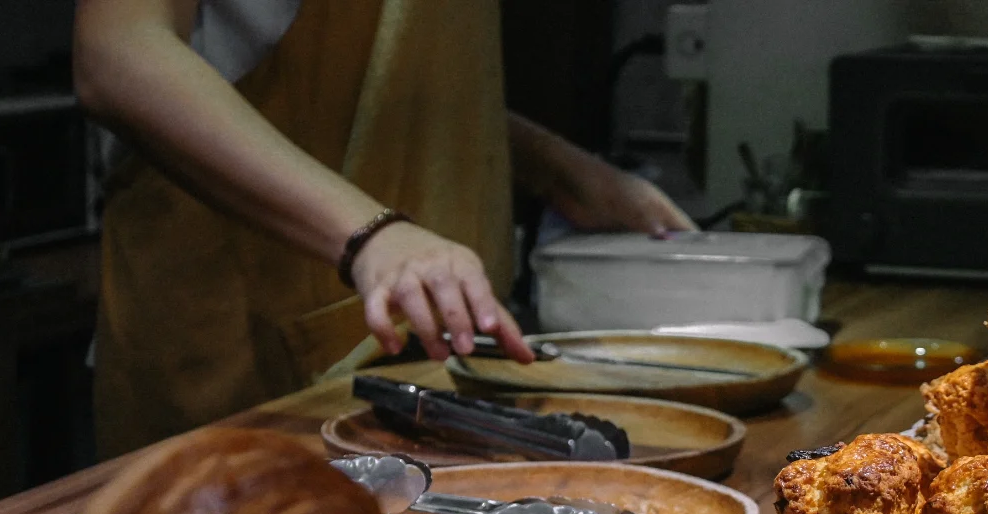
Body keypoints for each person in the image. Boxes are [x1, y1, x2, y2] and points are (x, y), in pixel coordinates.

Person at [73, 0, 694, 456]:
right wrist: (371, 236)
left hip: (424, 366)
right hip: (240, 357)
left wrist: (560, 169)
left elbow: (386, 90)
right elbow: (118, 54)